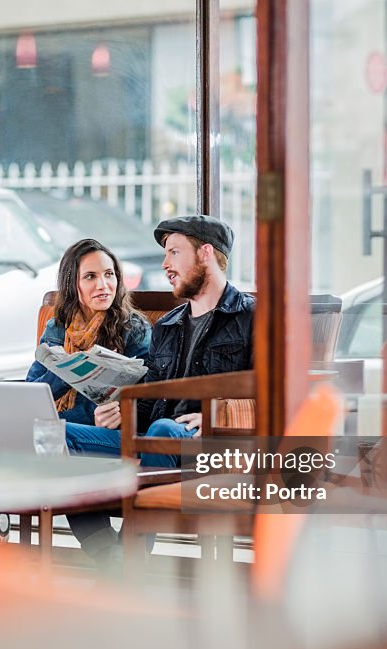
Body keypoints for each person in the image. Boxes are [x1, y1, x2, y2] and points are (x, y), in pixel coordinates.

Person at [63, 215, 255, 566]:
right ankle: (111, 558)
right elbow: (151, 401)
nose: (165, 264)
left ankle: (131, 560)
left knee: (163, 431)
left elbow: (278, 395)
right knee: (61, 434)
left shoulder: (252, 317)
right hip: (156, 438)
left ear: (206, 253)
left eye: (174, 253)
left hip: (217, 446)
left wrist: (217, 414)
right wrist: (123, 410)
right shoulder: (167, 326)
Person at [26, 238, 151, 425]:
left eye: (109, 274)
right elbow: (32, 395)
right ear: (71, 284)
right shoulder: (57, 328)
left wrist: (55, 422)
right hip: (56, 423)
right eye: (90, 276)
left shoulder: (133, 328)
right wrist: (70, 370)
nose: (103, 285)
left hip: (100, 428)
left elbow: (144, 397)